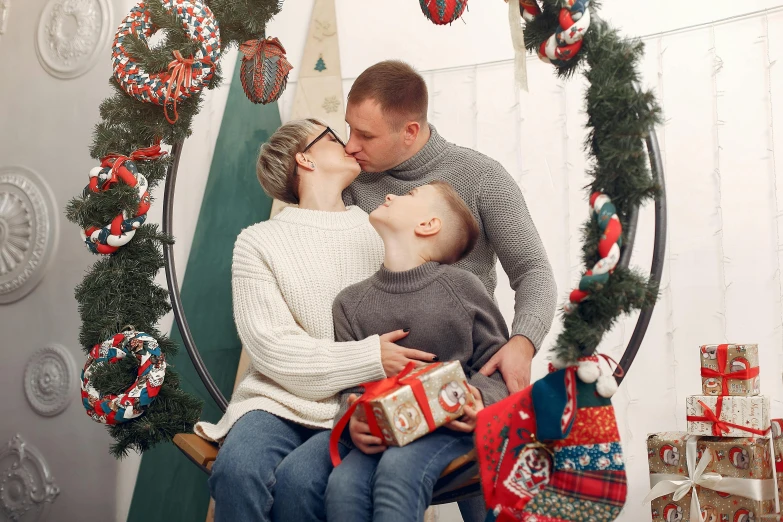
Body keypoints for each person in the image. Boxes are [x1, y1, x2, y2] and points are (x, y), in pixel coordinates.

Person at [194, 119, 437, 522]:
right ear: (304, 158)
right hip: (275, 401)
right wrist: (369, 355)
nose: (349, 145)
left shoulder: (379, 227)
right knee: (238, 470)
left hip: (355, 404)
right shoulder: (258, 242)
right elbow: (275, 349)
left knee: (302, 484)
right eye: (334, 137)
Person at [343, 60, 557, 396]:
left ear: (410, 131)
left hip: (468, 368)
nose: (350, 146)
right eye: (349, 129)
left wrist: (523, 342)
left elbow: (533, 270)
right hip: (377, 376)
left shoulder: (484, 177)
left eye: (366, 135)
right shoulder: (350, 180)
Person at [326, 181, 510, 522]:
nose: (391, 194)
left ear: (428, 225)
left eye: (409, 195)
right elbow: (350, 388)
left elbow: (497, 362)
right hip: (386, 435)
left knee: (399, 471)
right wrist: (352, 421)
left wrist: (479, 401)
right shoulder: (349, 304)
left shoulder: (464, 288)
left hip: (454, 429)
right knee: (341, 486)